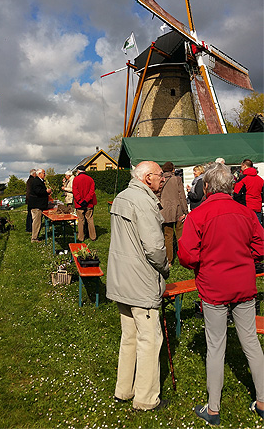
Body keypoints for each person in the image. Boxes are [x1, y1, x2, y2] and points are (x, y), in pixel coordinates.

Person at [178, 162, 264, 425]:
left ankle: (213, 409)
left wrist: (205, 261)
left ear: (206, 188)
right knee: (250, 342)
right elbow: (260, 247)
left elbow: (186, 254)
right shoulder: (247, 213)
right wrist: (241, 256)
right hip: (243, 282)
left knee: (215, 346)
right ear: (230, 187)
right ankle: (262, 401)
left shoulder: (198, 215)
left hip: (214, 284)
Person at [106, 161, 169, 411]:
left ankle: (124, 390)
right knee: (149, 340)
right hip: (141, 280)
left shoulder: (122, 196)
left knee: (129, 337)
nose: (162, 180)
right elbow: (154, 247)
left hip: (122, 277)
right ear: (146, 178)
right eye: (159, 176)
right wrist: (164, 268)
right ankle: (145, 398)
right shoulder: (143, 202)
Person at [159, 161, 188, 266]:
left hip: (164, 211)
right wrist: (186, 211)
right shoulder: (177, 179)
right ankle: (183, 259)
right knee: (180, 236)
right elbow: (182, 196)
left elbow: (157, 195)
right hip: (178, 210)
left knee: (168, 236)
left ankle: (169, 261)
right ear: (172, 170)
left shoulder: (160, 180)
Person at [233, 159, 264, 224]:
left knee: (246, 229)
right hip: (258, 207)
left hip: (246, 207)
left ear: (244, 166)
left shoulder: (242, 179)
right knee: (257, 230)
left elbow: (236, 193)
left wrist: (239, 203)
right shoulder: (260, 179)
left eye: (241, 166)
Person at [72, 165, 97, 242]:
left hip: (79, 204)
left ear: (78, 171)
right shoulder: (90, 179)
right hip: (89, 203)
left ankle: (81, 237)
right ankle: (93, 237)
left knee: (80, 220)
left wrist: (80, 201)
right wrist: (86, 200)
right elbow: (91, 191)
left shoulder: (76, 179)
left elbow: (75, 191)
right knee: (90, 219)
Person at [28, 169, 52, 243]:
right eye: (44, 173)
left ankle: (35, 237)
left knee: (37, 222)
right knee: (36, 222)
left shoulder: (39, 181)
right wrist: (46, 191)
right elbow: (38, 191)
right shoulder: (36, 181)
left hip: (38, 205)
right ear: (39, 174)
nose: (45, 175)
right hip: (36, 205)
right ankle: (34, 238)